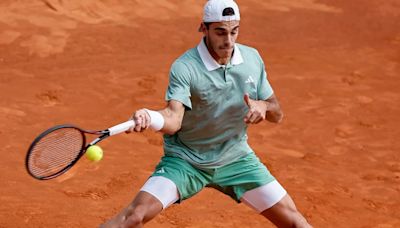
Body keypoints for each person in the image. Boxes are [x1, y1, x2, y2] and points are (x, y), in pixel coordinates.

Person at [101, 0, 312, 227]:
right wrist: (150, 117)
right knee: (134, 217)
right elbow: (173, 120)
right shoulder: (185, 67)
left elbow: (277, 114)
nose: (229, 41)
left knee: (295, 222)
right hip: (186, 161)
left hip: (236, 159)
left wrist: (263, 105)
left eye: (234, 31)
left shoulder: (252, 59)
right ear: (204, 28)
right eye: (220, 32)